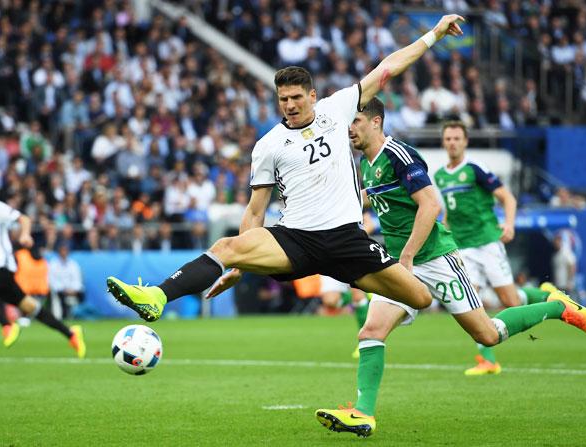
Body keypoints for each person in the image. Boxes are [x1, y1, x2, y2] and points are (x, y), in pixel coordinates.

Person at [106, 15, 469, 321]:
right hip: (296, 239)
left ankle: (357, 297)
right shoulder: (267, 145)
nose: (291, 105)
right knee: (227, 245)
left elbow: (388, 67)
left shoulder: (338, 108)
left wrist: (435, 33)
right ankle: (156, 295)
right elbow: (255, 210)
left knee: (419, 298)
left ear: (312, 96)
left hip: (346, 239)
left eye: (297, 97)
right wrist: (240, 265)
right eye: (283, 99)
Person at [315, 98, 586, 438]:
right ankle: (363, 414)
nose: (349, 128)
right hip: (401, 264)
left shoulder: (399, 155)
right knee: (371, 331)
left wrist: (406, 256)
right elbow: (375, 200)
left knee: (487, 334)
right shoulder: (367, 164)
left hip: (435, 259)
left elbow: (430, 204)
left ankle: (558, 307)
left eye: (356, 120)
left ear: (376, 121)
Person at [433, 120, 553, 375]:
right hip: (463, 247)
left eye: (457, 138)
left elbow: (507, 197)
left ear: (465, 141)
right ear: (443, 142)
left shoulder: (475, 168)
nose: (452, 143)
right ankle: (488, 360)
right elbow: (450, 213)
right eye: (448, 138)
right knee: (470, 305)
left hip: (487, 241)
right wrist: (444, 236)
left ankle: (545, 295)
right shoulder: (440, 176)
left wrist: (509, 224)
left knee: (510, 301)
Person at [0, 176, 86, 358]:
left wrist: (25, 235)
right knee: (30, 307)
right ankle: (71, 334)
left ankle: (7, 324)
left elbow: (23, 219)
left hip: (2, 265)